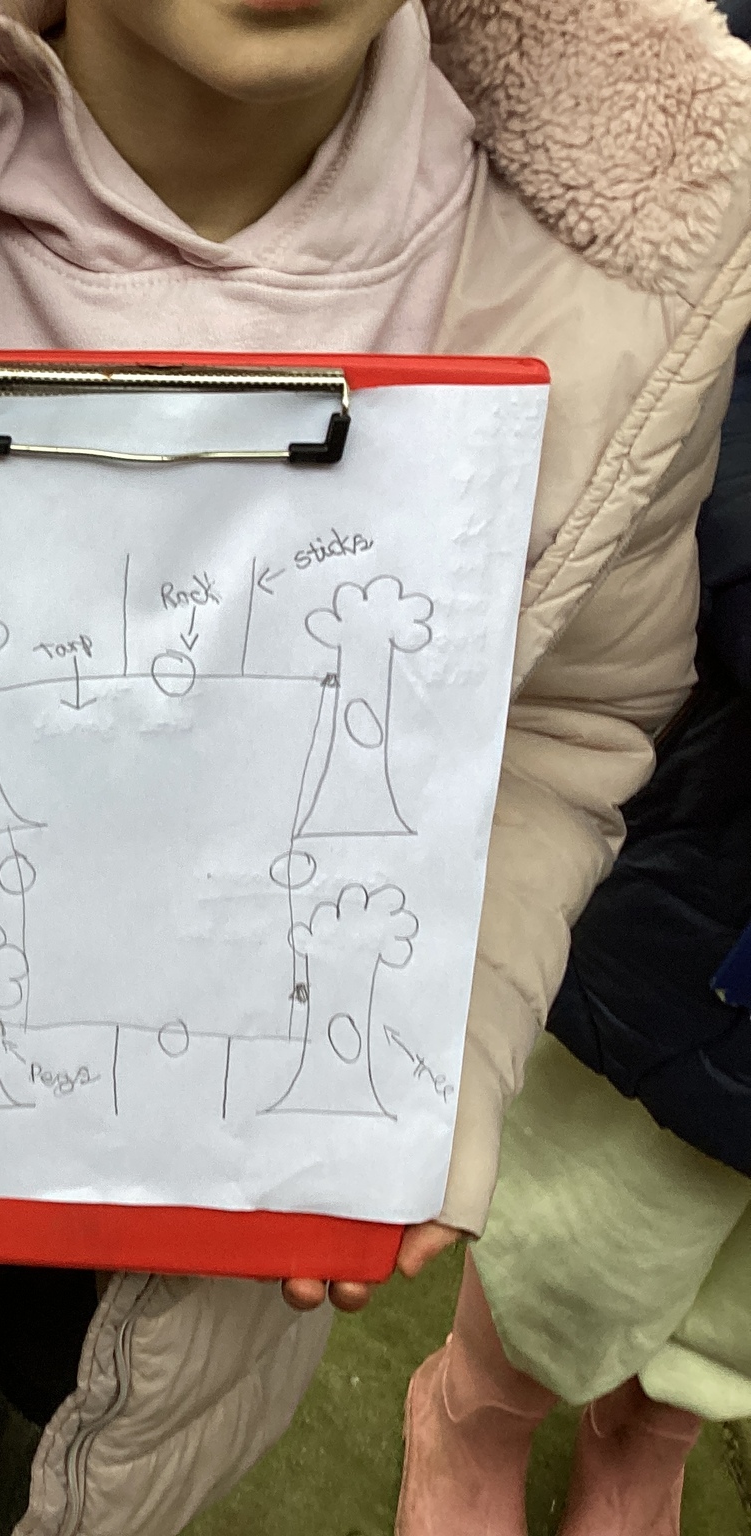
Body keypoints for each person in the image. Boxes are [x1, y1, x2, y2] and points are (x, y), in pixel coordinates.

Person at [0, 0, 751, 1532]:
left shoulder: (610, 281)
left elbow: (564, 724)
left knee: (62, 1421)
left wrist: (427, 1053)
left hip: (234, 1179)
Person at [397, 275, 751, 1536]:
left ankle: (652, 1430)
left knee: (732, 1297)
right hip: (714, 871)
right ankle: (478, 1406)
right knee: (598, 1214)